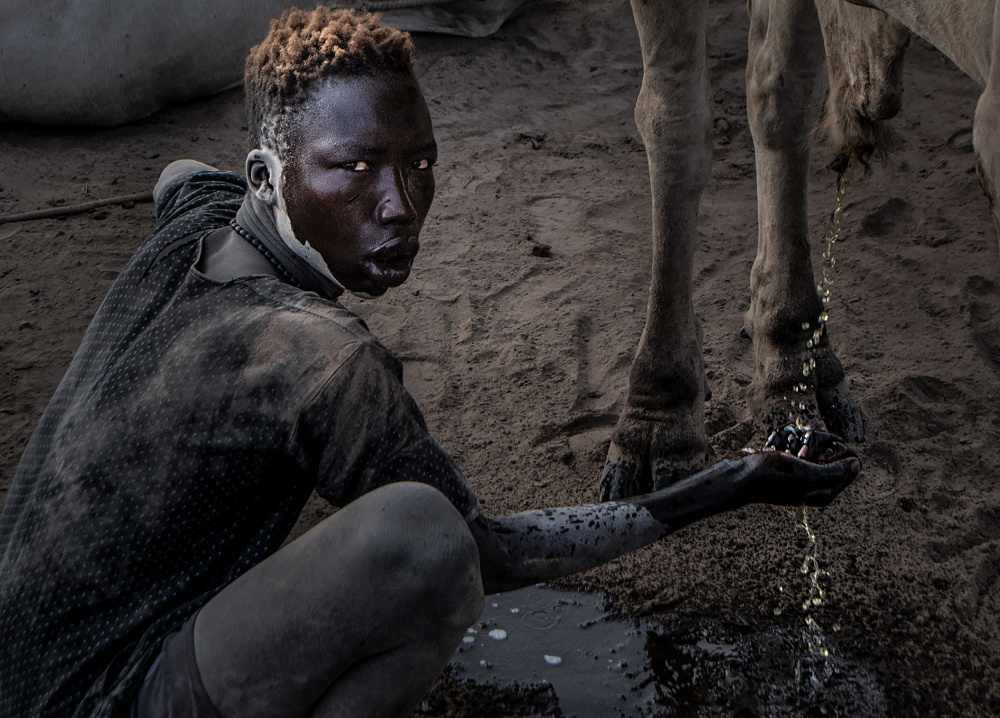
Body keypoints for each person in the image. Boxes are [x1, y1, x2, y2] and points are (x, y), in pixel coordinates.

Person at [0, 7, 861, 718]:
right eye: (357, 168)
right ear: (268, 176)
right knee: (425, 546)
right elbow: (490, 553)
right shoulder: (324, 361)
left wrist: (279, 185)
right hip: (102, 701)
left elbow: (177, 173)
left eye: (420, 163)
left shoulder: (196, 227)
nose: (400, 206)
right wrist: (727, 484)